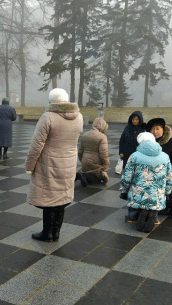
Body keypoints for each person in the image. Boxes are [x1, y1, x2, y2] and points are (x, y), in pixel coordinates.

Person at [25, 88, 83, 242]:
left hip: (50, 162)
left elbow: (36, 145)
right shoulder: (79, 117)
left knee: (49, 198)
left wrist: (29, 166)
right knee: (62, 198)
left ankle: (47, 233)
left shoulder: (48, 117)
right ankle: (56, 232)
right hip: (69, 162)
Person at [120, 132, 172, 233]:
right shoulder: (165, 156)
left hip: (138, 195)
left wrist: (124, 190)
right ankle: (152, 213)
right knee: (154, 204)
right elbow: (169, 176)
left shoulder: (134, 156)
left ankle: (140, 213)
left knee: (132, 214)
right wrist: (167, 191)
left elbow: (127, 176)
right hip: (156, 196)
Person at [146, 118, 172, 213]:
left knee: (164, 210)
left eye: (157, 129)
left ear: (163, 129)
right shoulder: (146, 144)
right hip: (150, 182)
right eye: (152, 129)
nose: (155, 132)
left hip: (166, 182)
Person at [76, 117, 110, 186]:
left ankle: (82, 174)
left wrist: (82, 160)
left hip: (85, 161)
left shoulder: (85, 135)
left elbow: (80, 151)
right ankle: (85, 176)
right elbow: (103, 153)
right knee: (97, 179)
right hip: (95, 163)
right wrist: (106, 164)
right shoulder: (102, 137)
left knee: (89, 170)